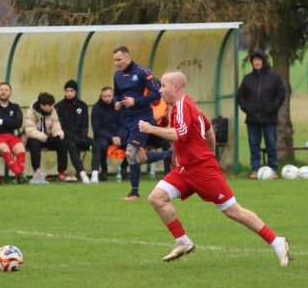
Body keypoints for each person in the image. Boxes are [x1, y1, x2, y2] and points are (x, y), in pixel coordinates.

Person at [138, 70, 291, 266]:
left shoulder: (184, 104)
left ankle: (277, 241)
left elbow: (181, 134)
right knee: (157, 197)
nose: (160, 90)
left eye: (164, 86)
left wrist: (150, 129)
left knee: (233, 211)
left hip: (202, 170)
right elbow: (208, 130)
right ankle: (182, 241)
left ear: (176, 88)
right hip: (187, 170)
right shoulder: (180, 107)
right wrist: (205, 155)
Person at [112, 45, 171, 200]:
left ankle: (134, 193)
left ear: (128, 57)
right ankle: (168, 154)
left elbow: (157, 95)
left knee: (131, 153)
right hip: (127, 119)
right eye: (114, 60)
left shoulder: (143, 72)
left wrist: (136, 101)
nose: (117, 63)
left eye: (119, 59)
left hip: (143, 117)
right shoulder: (117, 76)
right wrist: (116, 103)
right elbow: (116, 94)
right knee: (140, 157)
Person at [236, 49, 286, 178]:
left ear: (263, 61)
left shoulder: (274, 77)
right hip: (252, 119)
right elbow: (240, 96)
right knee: (254, 145)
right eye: (254, 60)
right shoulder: (247, 79)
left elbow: (281, 94)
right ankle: (255, 169)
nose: (257, 62)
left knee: (271, 144)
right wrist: (247, 108)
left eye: (259, 60)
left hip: (269, 118)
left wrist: (273, 108)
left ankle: (273, 169)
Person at [0, 81, 27, 183]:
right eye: (1, 90)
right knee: (5, 149)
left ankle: (18, 177)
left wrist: (1, 121)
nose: (3, 92)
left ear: (11, 93)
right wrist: (9, 124)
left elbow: (18, 123)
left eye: (6, 90)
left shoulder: (15, 107)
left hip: (12, 136)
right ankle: (19, 175)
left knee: (21, 149)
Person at [23, 92, 65, 184]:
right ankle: (37, 174)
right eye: (49, 105)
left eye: (52, 105)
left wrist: (58, 136)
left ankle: (61, 173)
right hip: (33, 138)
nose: (52, 107)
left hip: (47, 138)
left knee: (62, 143)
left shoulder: (53, 111)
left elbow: (57, 126)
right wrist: (46, 138)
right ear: (42, 105)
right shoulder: (31, 111)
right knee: (35, 144)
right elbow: (30, 131)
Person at [54, 80, 91, 183]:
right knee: (67, 144)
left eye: (71, 90)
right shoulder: (59, 106)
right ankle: (64, 172)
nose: (69, 93)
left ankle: (96, 173)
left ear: (76, 92)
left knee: (96, 145)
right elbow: (62, 127)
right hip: (65, 136)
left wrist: (83, 137)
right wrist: (75, 138)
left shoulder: (82, 105)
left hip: (79, 137)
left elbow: (85, 124)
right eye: (67, 90)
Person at [90, 86, 121, 183]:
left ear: (113, 95)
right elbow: (97, 129)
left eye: (109, 96)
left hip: (118, 135)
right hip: (102, 136)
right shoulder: (96, 108)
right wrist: (112, 138)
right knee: (102, 145)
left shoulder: (118, 106)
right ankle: (104, 170)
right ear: (101, 96)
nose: (107, 98)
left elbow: (123, 123)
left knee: (133, 142)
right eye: (104, 96)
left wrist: (119, 136)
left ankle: (124, 168)